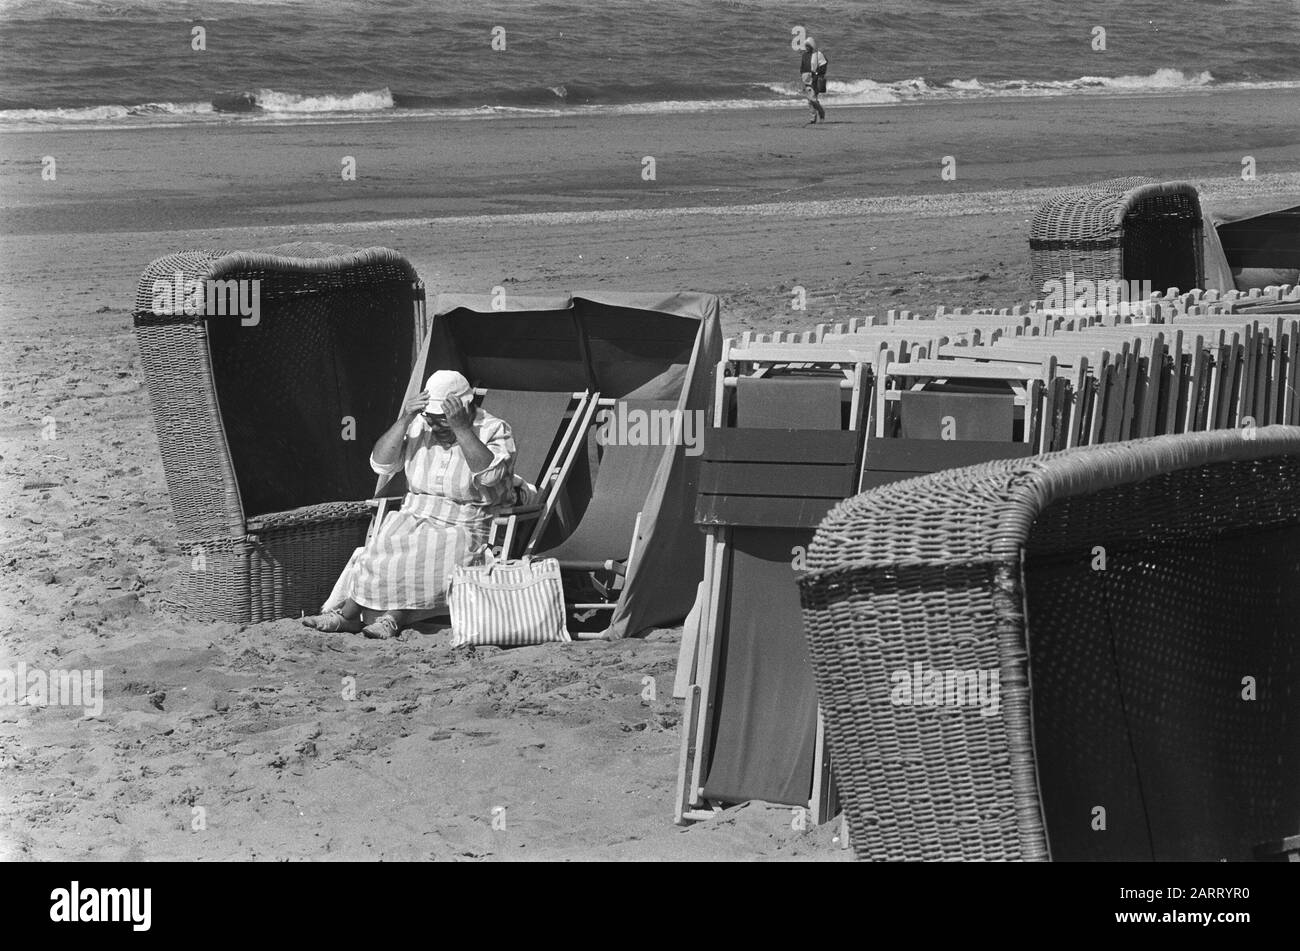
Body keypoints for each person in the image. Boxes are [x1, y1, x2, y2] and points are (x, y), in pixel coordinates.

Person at [301, 370, 526, 639]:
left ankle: (392, 619)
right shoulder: (421, 426)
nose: (436, 426)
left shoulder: (494, 429)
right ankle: (348, 616)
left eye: (443, 419)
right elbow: (381, 464)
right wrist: (406, 418)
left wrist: (461, 429)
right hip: (416, 513)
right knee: (385, 541)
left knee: (426, 549)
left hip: (465, 522)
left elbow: (489, 475)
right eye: (430, 418)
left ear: (465, 407)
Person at [800, 37, 827, 124]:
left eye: (808, 46)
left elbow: (823, 66)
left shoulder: (818, 55)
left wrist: (816, 74)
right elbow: (802, 67)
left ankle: (821, 112)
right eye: (806, 46)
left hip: (814, 79)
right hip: (806, 78)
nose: (807, 48)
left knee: (812, 99)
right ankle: (813, 117)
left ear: (812, 46)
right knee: (810, 100)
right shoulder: (804, 55)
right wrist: (802, 77)